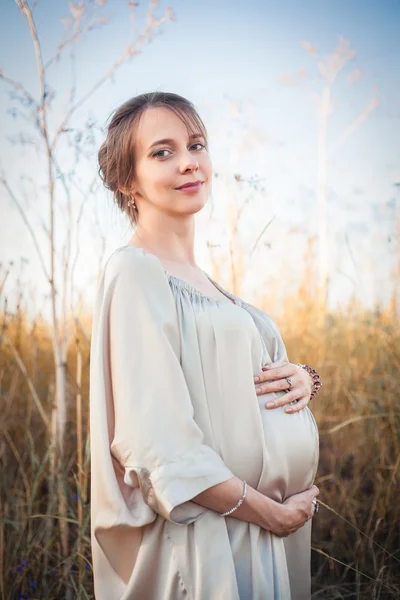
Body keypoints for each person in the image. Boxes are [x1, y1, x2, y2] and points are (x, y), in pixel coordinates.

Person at [89, 91, 323, 600]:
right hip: (207, 542)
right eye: (162, 151)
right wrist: (270, 512)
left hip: (258, 534)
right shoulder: (135, 271)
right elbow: (155, 444)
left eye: (196, 144)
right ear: (127, 180)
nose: (189, 162)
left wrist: (306, 378)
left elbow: (235, 382)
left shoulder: (205, 283)